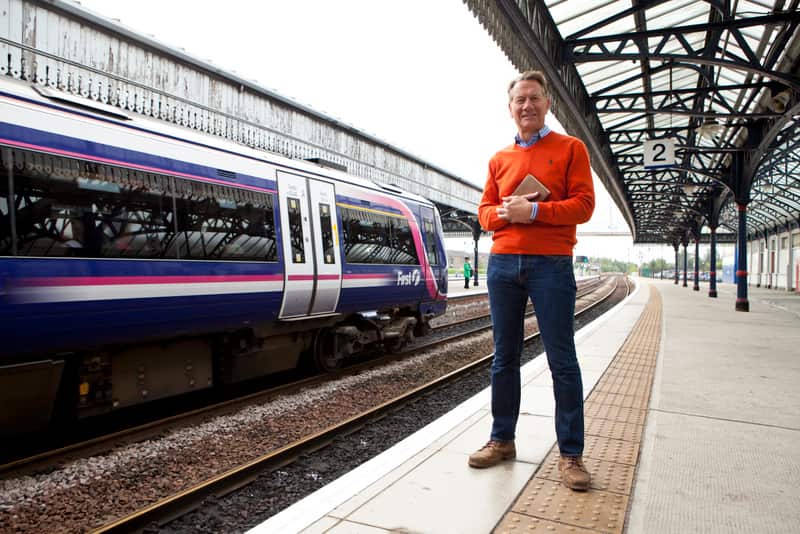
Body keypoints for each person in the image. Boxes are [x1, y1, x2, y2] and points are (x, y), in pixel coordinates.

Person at [468, 70, 595, 492]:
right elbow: (484, 211)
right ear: (511, 108)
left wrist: (535, 212)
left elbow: (584, 205)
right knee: (504, 356)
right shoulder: (499, 159)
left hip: (551, 264)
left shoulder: (571, 148)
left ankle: (571, 454)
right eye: (519, 100)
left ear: (548, 104)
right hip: (503, 263)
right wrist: (504, 214)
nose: (527, 106)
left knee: (562, 359)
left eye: (534, 99)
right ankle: (501, 439)